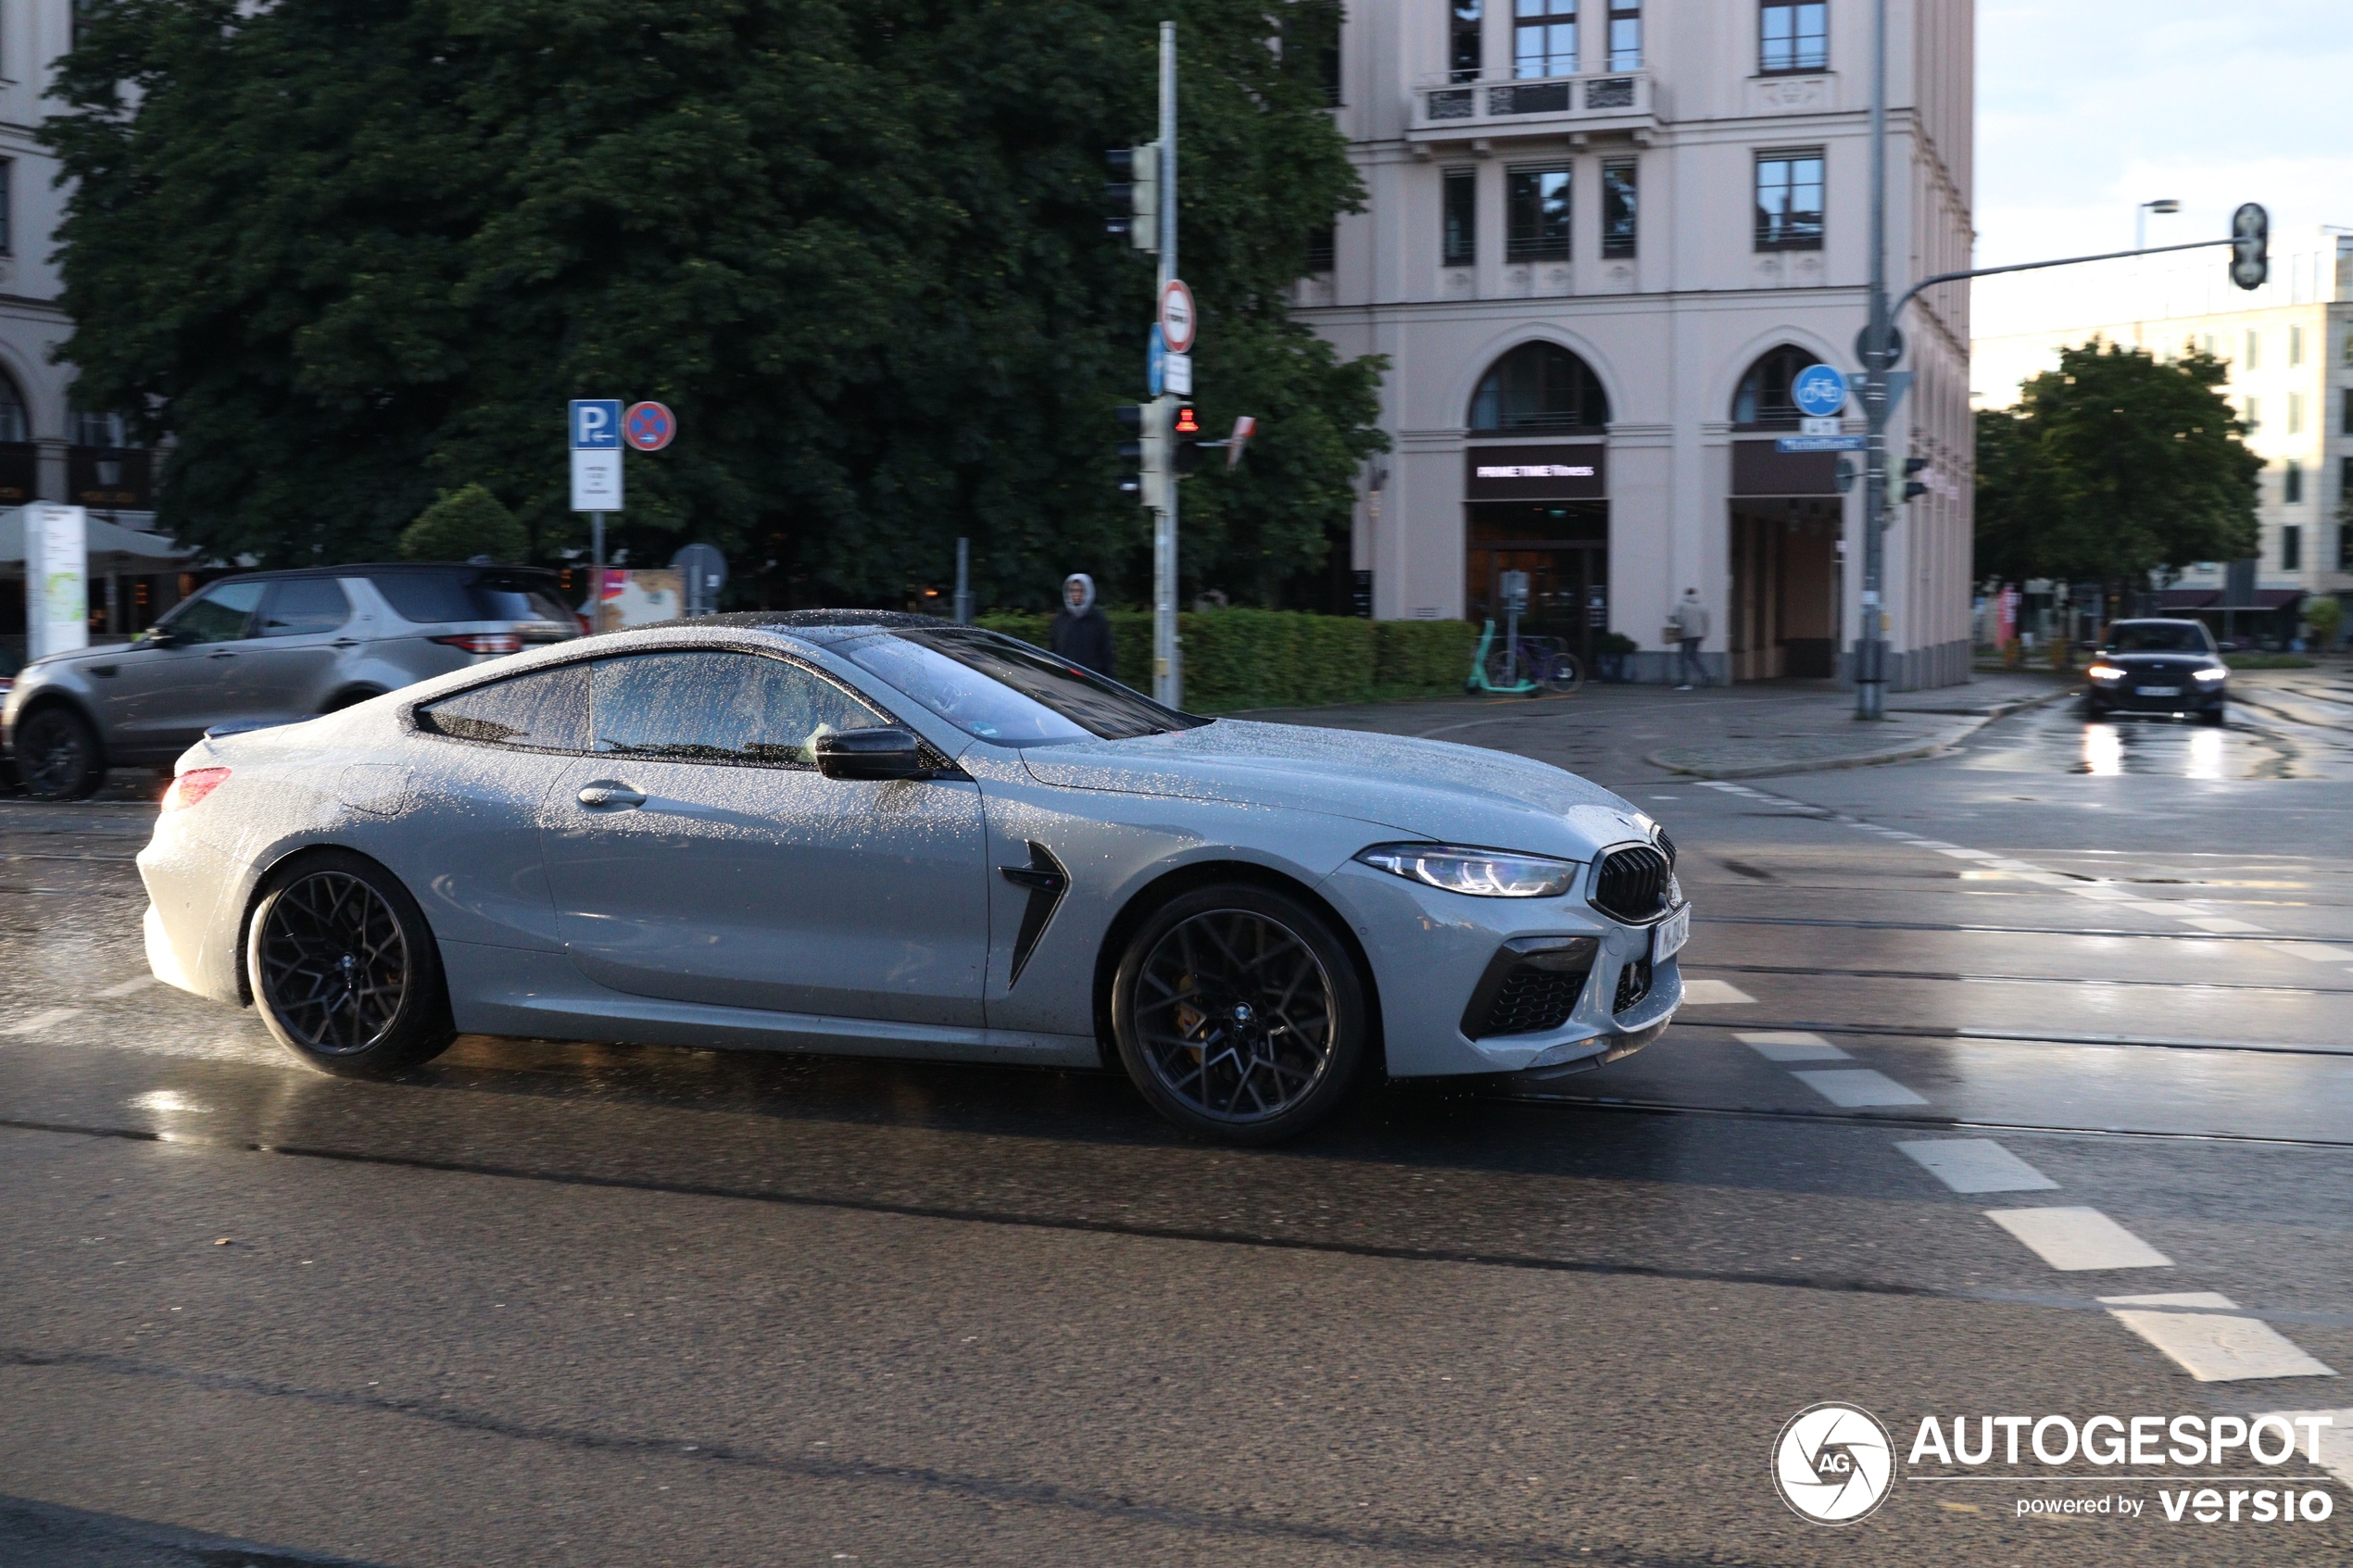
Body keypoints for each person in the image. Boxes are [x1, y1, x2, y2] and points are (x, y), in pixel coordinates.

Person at [1049, 573, 1115, 678]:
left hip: (1091, 680)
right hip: (1064, 678)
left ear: (1088, 591)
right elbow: (1053, 649)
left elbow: (1106, 654)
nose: (1076, 594)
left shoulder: (1098, 620)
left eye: (1080, 590)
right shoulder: (1061, 619)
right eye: (1073, 590)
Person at [1670, 588, 1710, 691]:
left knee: (1682, 659)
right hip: (1698, 635)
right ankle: (1706, 675)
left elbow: (1677, 618)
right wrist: (1705, 633)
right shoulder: (1702, 606)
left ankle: (1685, 682)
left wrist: (1675, 621)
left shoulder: (1681, 605)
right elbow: (1707, 621)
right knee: (1694, 657)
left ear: (1686, 594)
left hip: (1685, 634)